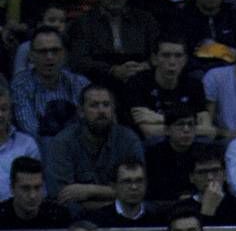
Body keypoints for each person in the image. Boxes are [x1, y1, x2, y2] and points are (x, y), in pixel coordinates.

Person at [43, 82, 145, 214]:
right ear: (81, 111)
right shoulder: (62, 142)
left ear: (113, 110)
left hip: (120, 216)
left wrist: (89, 190)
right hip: (76, 220)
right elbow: (61, 195)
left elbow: (137, 189)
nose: (101, 111)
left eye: (106, 105)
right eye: (94, 105)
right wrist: (114, 197)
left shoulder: (128, 140)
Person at [66, 0, 158, 91]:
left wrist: (146, 65)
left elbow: (159, 52)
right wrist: (112, 70)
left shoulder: (145, 20)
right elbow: (78, 61)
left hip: (142, 82)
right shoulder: (83, 23)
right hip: (98, 85)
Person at [10, 24, 88, 147]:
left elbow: (89, 123)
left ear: (64, 54)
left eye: (55, 50)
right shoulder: (20, 86)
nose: (49, 57)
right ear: (31, 55)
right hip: (41, 150)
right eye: (42, 51)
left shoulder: (80, 83)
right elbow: (31, 131)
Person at [126, 35, 213, 143]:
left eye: (178, 56)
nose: (172, 62)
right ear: (154, 59)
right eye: (166, 55)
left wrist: (160, 119)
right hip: (155, 146)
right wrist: (189, 125)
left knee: (205, 141)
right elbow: (149, 131)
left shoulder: (194, 85)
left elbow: (208, 130)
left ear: (185, 60)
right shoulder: (138, 82)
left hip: (188, 144)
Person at [143, 105, 202, 205]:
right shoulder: (153, 155)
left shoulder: (204, 152)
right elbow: (151, 189)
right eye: (180, 124)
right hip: (164, 204)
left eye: (191, 124)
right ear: (167, 130)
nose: (186, 129)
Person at [0, 77, 39, 201]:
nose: (0, 115)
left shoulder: (27, 144)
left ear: (11, 113)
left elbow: (37, 189)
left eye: (4, 109)